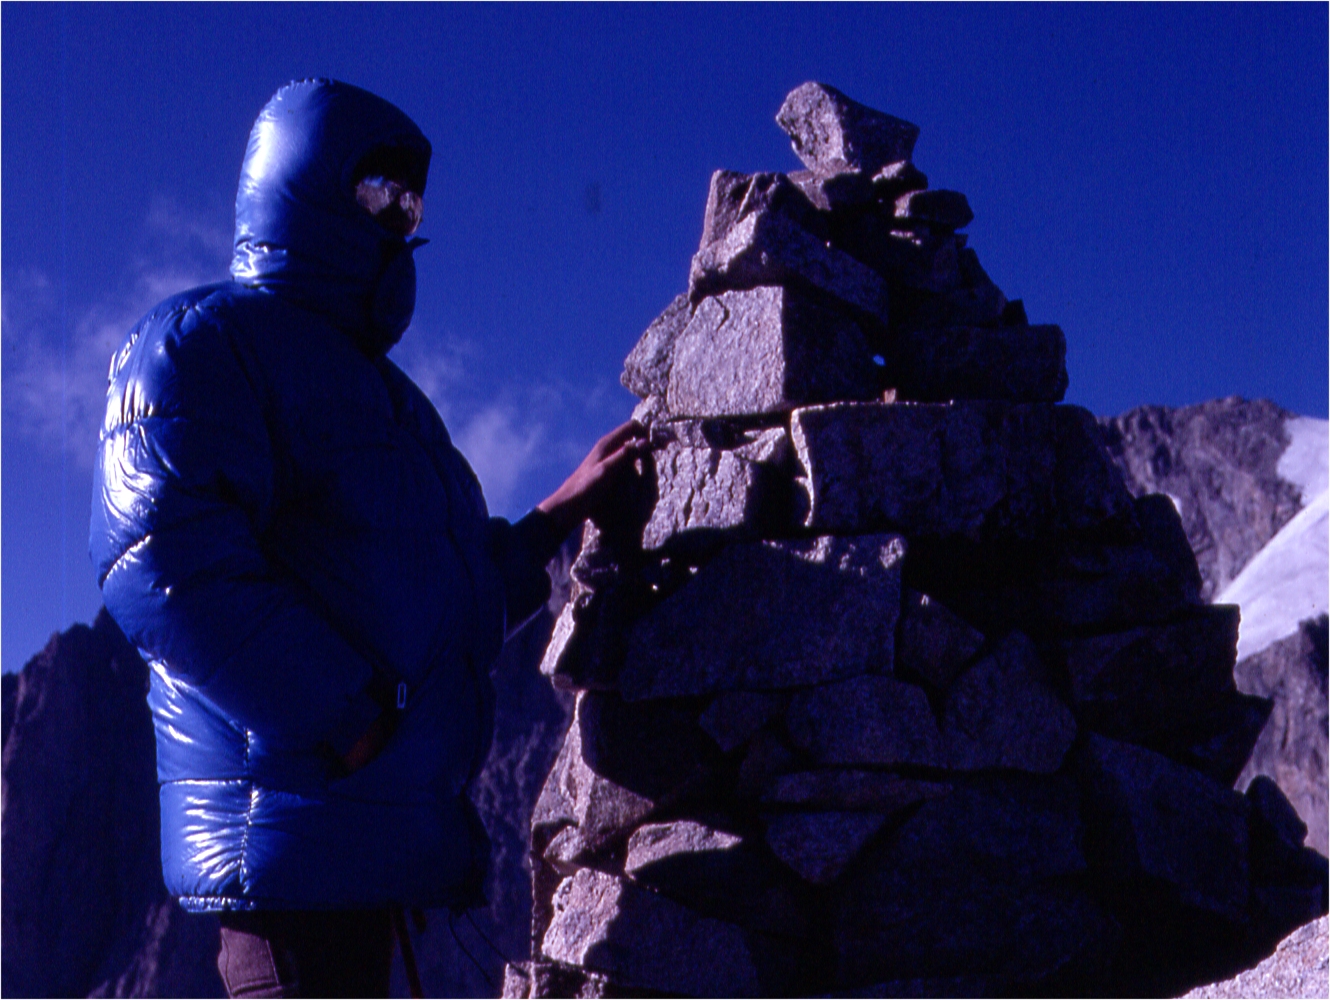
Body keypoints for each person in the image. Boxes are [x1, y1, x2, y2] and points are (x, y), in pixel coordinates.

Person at [90, 79, 644, 998]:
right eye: (378, 191)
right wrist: (349, 720)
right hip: (296, 875)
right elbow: (162, 561)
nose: (401, 216)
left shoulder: (393, 404)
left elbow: (438, 605)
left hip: (379, 866)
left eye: (412, 201)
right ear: (302, 185)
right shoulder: (203, 343)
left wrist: (556, 515)